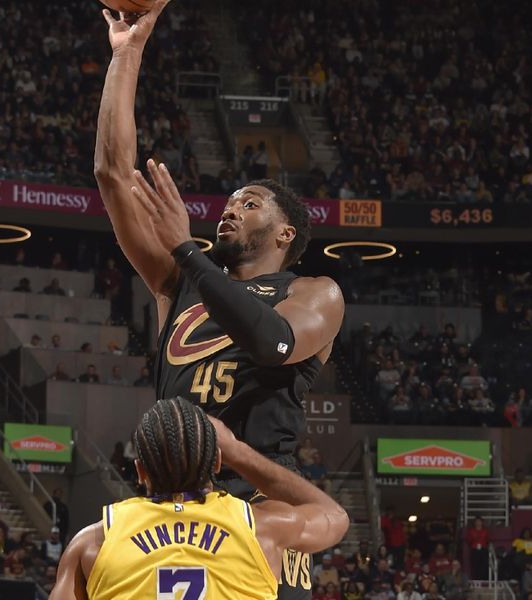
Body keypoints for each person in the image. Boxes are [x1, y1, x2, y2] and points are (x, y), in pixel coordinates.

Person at [94, 6, 345, 598]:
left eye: (250, 202)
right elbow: (111, 171)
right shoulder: (180, 279)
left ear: (286, 234)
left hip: (264, 510)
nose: (230, 207)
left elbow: (272, 342)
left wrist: (187, 248)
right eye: (229, 201)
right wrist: (126, 53)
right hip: (172, 507)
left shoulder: (313, 293)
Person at [49, 398, 349, 600]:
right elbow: (334, 516)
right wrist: (238, 451)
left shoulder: (93, 543)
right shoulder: (260, 528)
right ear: (217, 462)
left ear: (140, 471)